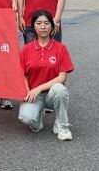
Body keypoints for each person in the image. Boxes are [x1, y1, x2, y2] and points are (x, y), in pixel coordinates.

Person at [17, 10, 74, 141]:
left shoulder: (60, 48)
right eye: (39, 23)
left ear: (52, 27)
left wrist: (39, 88)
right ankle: (37, 119)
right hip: (33, 94)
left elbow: (62, 77)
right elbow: (22, 74)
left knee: (60, 89)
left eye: (46, 23)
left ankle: (62, 125)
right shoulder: (26, 49)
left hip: (51, 94)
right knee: (27, 118)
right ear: (33, 26)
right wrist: (27, 91)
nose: (43, 26)